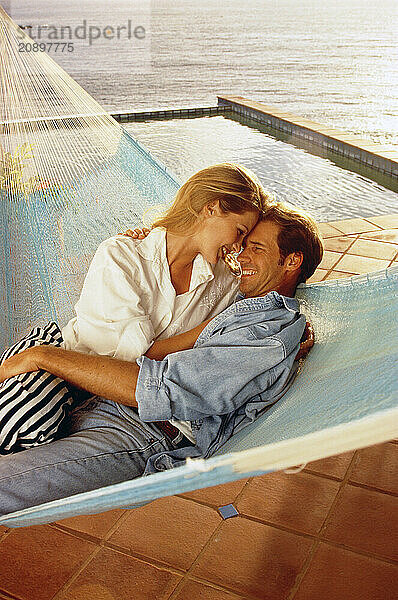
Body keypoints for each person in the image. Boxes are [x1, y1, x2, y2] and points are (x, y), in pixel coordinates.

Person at [0, 202, 323, 516]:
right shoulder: (238, 296)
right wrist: (155, 243)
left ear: (292, 260)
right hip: (101, 401)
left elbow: (163, 391)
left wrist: (44, 357)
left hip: (143, 431)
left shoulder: (266, 333)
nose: (241, 254)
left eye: (257, 248)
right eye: (243, 244)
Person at [0, 163, 270, 454]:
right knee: (25, 422)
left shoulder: (224, 281)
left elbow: (255, 309)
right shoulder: (121, 256)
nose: (239, 246)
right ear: (211, 208)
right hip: (58, 373)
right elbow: (132, 360)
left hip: (114, 403)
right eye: (239, 231)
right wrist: (207, 329)